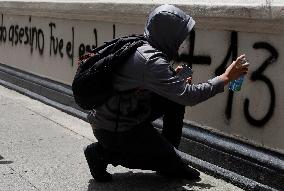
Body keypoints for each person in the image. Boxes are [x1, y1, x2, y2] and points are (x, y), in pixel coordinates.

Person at [84, 4, 249, 182]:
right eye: (178, 37)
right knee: (169, 155)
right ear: (167, 34)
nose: (180, 44)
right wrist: (225, 77)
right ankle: (102, 153)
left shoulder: (143, 46)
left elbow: (145, 87)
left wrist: (174, 81)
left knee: (174, 100)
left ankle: (167, 158)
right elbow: (189, 96)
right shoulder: (151, 61)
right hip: (113, 130)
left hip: (123, 115)